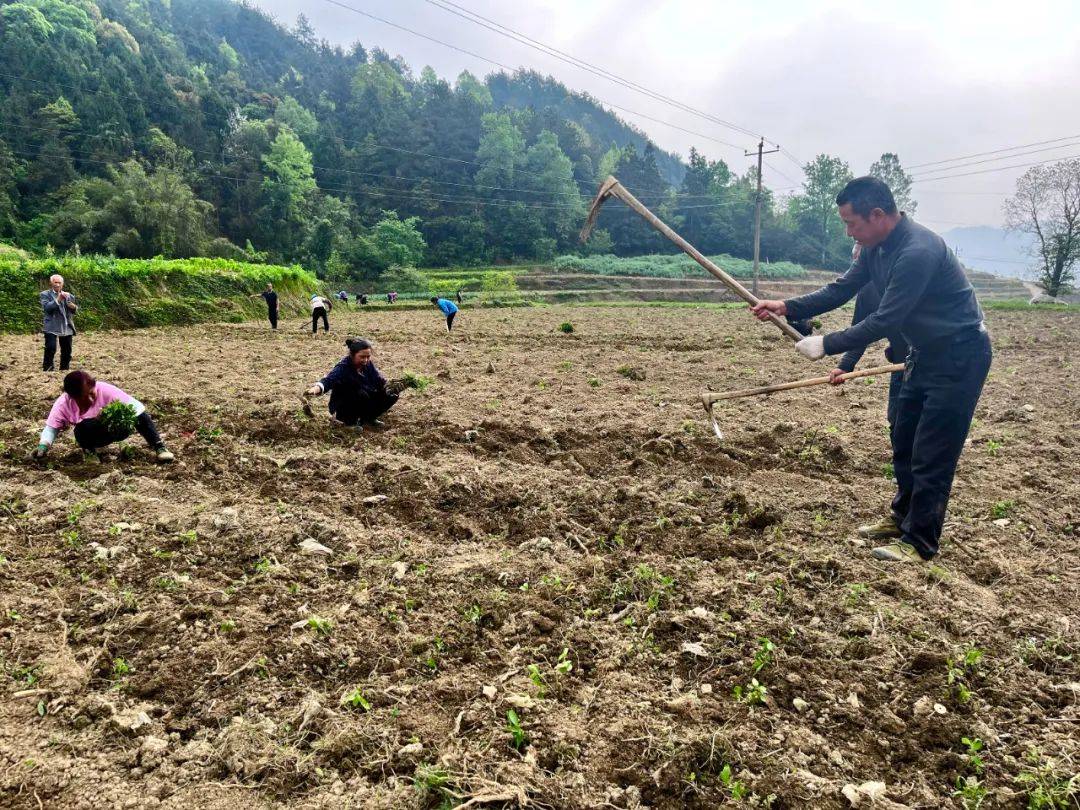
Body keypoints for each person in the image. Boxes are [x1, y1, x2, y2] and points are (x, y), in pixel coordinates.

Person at [750, 176, 991, 564]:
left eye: (852, 223)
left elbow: (883, 319)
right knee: (904, 438)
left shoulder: (917, 252)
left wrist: (827, 344)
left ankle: (919, 542)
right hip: (920, 354)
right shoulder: (873, 249)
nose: (849, 232)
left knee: (932, 450)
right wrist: (787, 306)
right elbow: (840, 289)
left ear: (877, 215)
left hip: (959, 356)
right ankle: (901, 520)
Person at [30, 370, 174, 463]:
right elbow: (51, 428)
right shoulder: (63, 404)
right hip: (93, 435)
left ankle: (159, 447)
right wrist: (43, 446)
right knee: (81, 429)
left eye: (92, 393)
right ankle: (90, 451)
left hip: (118, 430)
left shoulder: (107, 391)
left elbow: (138, 410)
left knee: (139, 415)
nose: (92, 399)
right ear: (73, 397)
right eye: (86, 396)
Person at [304, 338, 398, 430]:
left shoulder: (368, 365)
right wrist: (315, 389)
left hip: (363, 398)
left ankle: (368, 419)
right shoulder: (343, 367)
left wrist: (393, 386)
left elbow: (379, 380)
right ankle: (348, 422)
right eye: (362, 357)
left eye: (368, 357)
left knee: (392, 394)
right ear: (352, 355)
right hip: (344, 406)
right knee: (361, 393)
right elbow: (328, 380)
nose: (365, 360)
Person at [40, 274, 78, 372]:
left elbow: (73, 310)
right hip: (52, 325)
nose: (57, 284)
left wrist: (73, 307)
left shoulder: (69, 295)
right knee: (51, 348)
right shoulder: (45, 294)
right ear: (51, 283)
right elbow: (47, 308)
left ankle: (64, 369)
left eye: (59, 282)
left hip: (66, 325)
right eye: (55, 282)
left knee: (67, 350)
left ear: (62, 284)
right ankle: (48, 369)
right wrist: (58, 299)